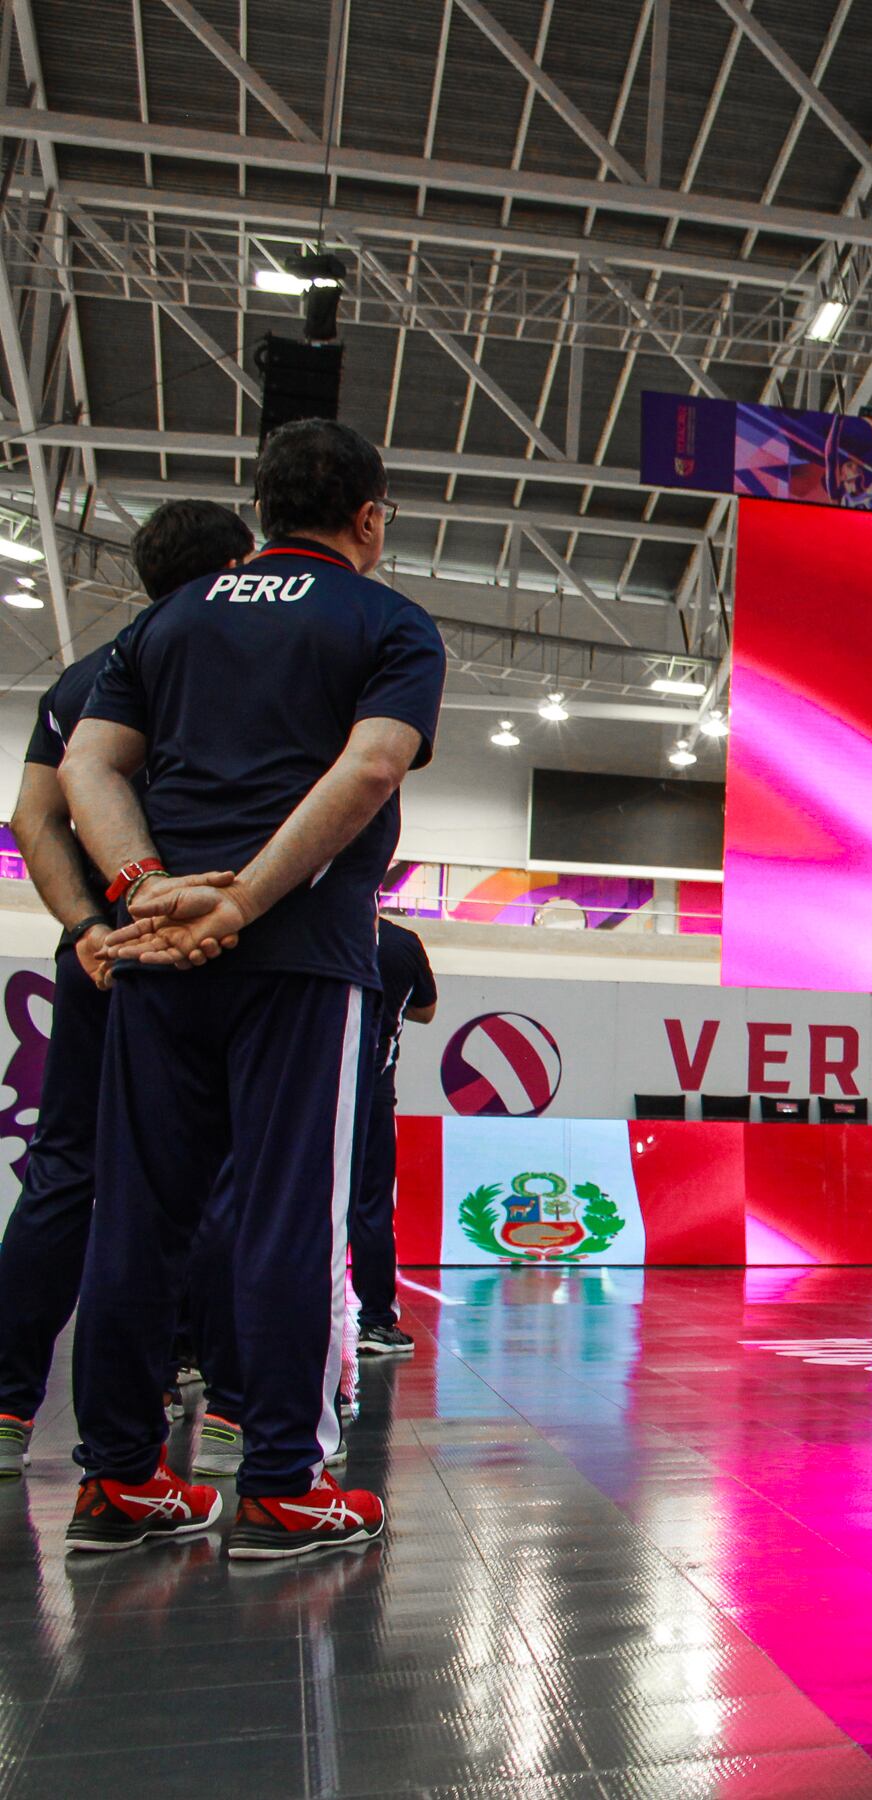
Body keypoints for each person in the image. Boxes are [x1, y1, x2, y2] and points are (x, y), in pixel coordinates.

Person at [60, 418, 444, 1558]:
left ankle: (119, 1478)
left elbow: (87, 764)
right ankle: (282, 1479)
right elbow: (370, 768)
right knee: (289, 1216)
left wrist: (150, 889)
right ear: (369, 516)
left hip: (162, 962)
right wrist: (244, 901)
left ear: (263, 505)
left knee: (136, 1211)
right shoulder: (388, 621)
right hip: (300, 960)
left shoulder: (168, 619)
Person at [0, 501, 253, 1482]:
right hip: (210, 947)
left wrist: (88, 930)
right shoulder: (238, 666)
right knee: (228, 1174)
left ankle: (14, 1405)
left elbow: (34, 817)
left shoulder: (83, 678)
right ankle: (232, 1413)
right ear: (236, 567)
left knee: (68, 1172)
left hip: (105, 946)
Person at [353, 917, 437, 1355]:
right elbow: (425, 1009)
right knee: (370, 1210)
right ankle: (376, 1323)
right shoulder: (401, 943)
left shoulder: (318, 924)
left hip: (307, 1089)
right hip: (372, 1092)